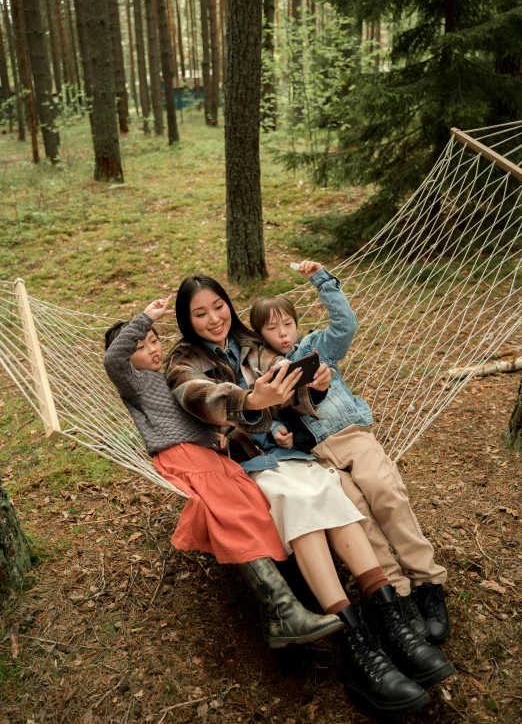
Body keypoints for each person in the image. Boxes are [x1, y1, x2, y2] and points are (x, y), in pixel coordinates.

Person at [165, 275, 455, 716]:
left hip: (290, 454)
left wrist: (310, 388)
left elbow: (289, 385)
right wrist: (250, 399)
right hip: (244, 463)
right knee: (299, 502)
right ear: (187, 321)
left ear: (229, 305)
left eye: (218, 306)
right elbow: (198, 395)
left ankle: (394, 624)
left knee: (329, 490)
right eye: (199, 313)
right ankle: (358, 652)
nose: (213, 319)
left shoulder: (250, 344)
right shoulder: (184, 358)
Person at [103, 297, 345, 650]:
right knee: (230, 512)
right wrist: (146, 318)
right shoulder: (132, 379)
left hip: (206, 453)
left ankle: (292, 597)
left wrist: (212, 434)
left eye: (155, 340)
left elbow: (186, 417)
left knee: (252, 501)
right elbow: (113, 359)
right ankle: (282, 611)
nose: (152, 349)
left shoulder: (161, 380)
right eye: (140, 347)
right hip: (182, 457)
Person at [249, 260, 451, 646]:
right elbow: (268, 418)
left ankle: (427, 580)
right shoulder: (267, 372)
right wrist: (280, 431)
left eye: (286, 323)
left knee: (385, 492)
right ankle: (399, 594)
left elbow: (346, 326)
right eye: (271, 328)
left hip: (351, 435)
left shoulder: (314, 347)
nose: (282, 333)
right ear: (260, 334)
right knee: (356, 513)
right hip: (318, 458)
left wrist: (321, 281)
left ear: (295, 322)